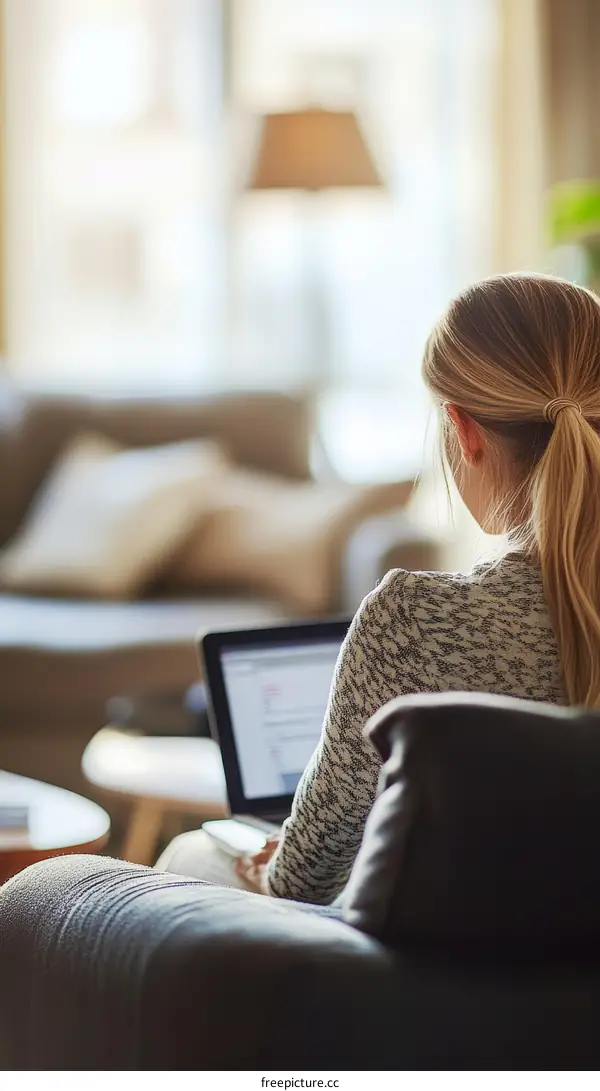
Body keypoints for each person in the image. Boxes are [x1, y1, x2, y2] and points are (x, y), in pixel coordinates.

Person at [157, 272, 600, 905]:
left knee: (192, 852)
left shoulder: (417, 621)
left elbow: (302, 878)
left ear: (464, 430)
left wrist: (264, 863)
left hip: (441, 985)